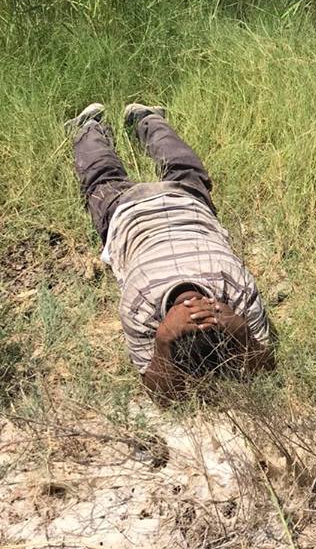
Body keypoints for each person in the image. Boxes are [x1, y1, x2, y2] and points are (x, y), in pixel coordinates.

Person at [67, 103, 274, 398]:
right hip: (187, 202)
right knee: (184, 165)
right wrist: (238, 329)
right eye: (209, 321)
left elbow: (162, 397)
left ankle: (89, 128)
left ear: (162, 324)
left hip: (126, 214)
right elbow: (265, 367)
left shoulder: (139, 304)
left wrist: (164, 342)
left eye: (186, 323)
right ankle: (145, 118)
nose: (196, 312)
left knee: (101, 177)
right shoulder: (234, 283)